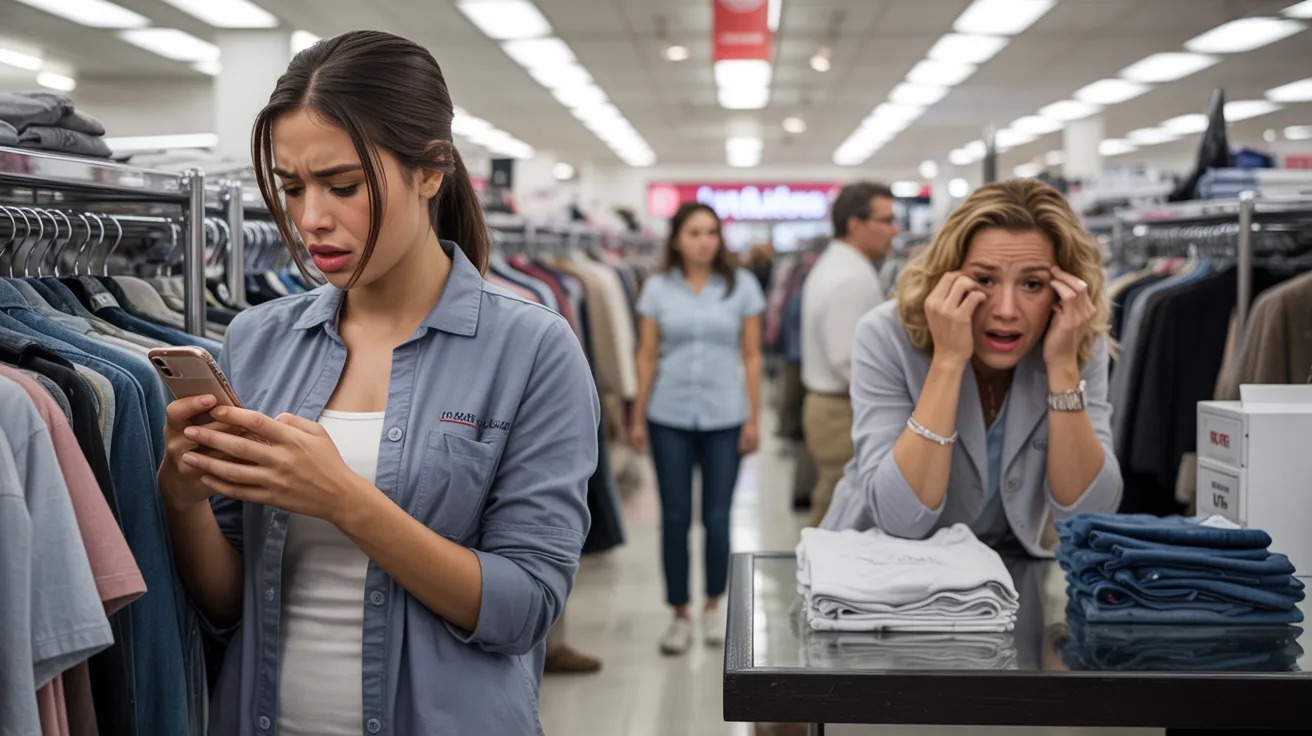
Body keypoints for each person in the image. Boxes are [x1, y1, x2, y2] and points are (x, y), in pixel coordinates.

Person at [157, 31, 599, 735]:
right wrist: (182, 499)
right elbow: (230, 601)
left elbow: (524, 608)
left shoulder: (532, 350)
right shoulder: (258, 339)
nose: (310, 220)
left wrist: (342, 499)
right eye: (292, 187)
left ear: (432, 171)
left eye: (344, 186)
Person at [820, 179, 1123, 555]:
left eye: (1032, 284)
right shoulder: (885, 335)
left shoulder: (1072, 339)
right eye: (984, 280)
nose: (1006, 309)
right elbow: (901, 519)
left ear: (1063, 289)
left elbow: (1088, 515)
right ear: (948, 275)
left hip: (997, 584)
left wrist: (1062, 369)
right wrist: (948, 361)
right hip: (874, 571)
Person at [630, 202, 766, 655]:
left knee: (717, 518)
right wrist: (636, 415)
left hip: (725, 415)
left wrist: (753, 417)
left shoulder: (741, 286)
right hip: (668, 414)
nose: (704, 240)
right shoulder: (655, 289)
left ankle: (713, 607)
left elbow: (752, 356)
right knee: (673, 519)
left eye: (711, 232)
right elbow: (647, 355)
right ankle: (679, 614)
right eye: (694, 232)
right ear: (677, 238)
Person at [800, 182, 899, 526]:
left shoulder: (842, 267)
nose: (894, 230)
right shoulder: (850, 279)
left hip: (835, 407)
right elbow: (848, 359)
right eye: (885, 221)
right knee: (838, 513)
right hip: (840, 412)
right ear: (855, 225)